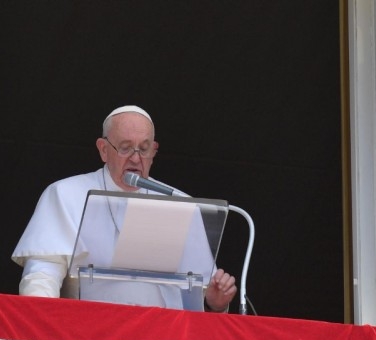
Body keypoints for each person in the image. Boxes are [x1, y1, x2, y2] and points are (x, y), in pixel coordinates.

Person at [12, 105, 237, 312]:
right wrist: (40, 323)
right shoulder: (66, 193)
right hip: (92, 333)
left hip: (165, 339)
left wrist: (216, 303)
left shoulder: (179, 202)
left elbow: (200, 289)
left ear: (154, 151)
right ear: (103, 149)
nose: (136, 158)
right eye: (125, 148)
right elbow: (43, 275)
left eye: (144, 149)